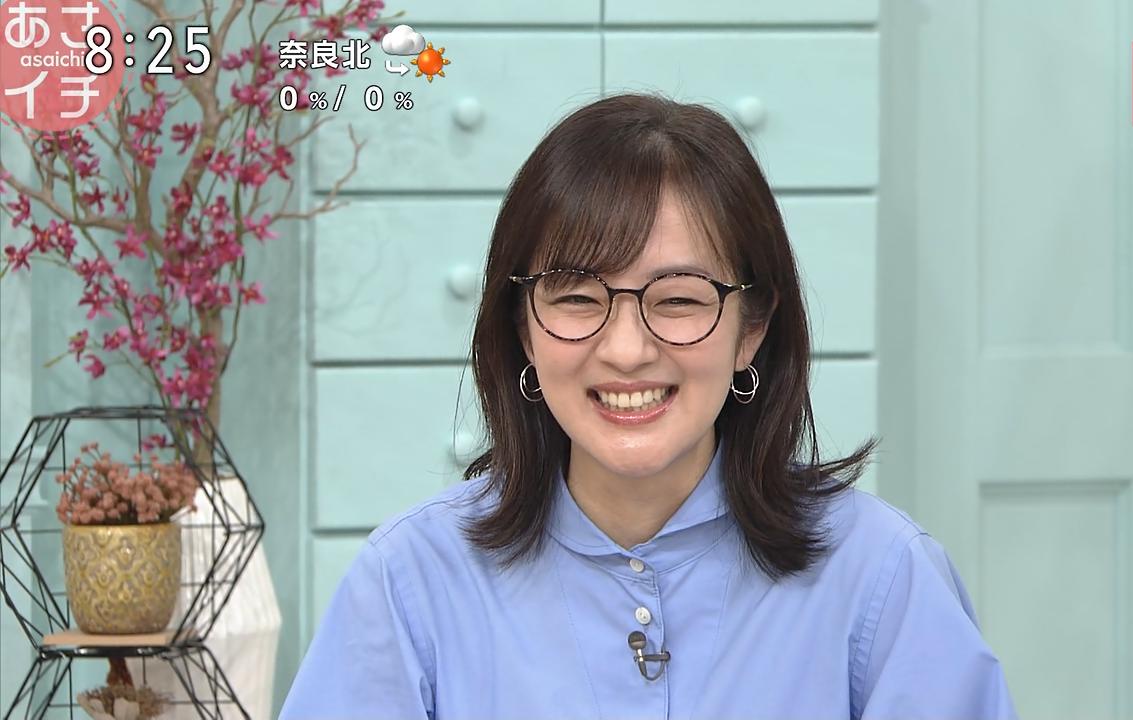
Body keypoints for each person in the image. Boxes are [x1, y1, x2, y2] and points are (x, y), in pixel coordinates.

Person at [280, 92, 1018, 719]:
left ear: (752, 329)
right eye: (577, 297)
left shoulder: (884, 577)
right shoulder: (409, 582)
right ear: (522, 328)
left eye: (679, 300)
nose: (627, 350)